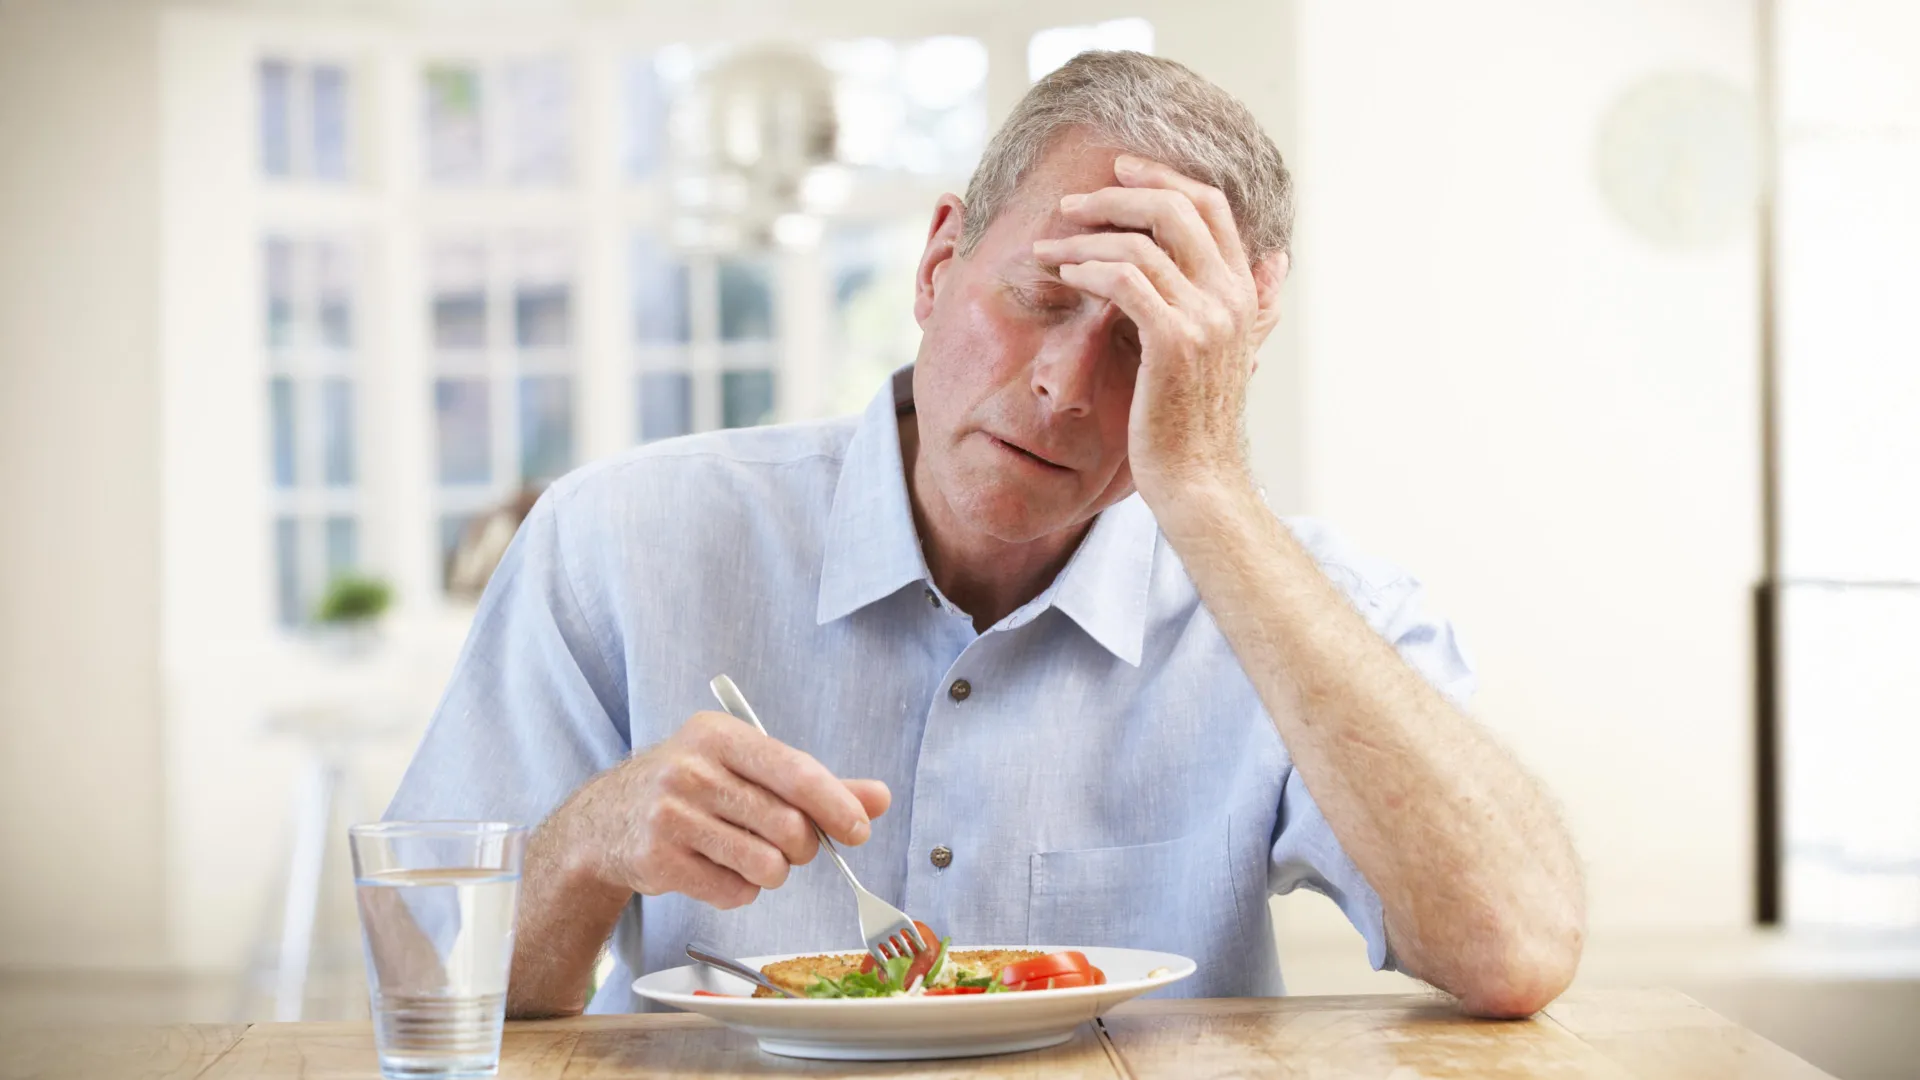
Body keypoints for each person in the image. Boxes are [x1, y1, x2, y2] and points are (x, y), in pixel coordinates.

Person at [386, 50, 1585, 1020]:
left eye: (1141, 343)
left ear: (1224, 364)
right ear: (938, 260)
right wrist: (592, 843)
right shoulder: (618, 539)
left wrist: (1207, 486)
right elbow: (428, 982)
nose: (1065, 385)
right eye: (1043, 297)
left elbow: (1515, 949)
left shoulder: (1312, 609)